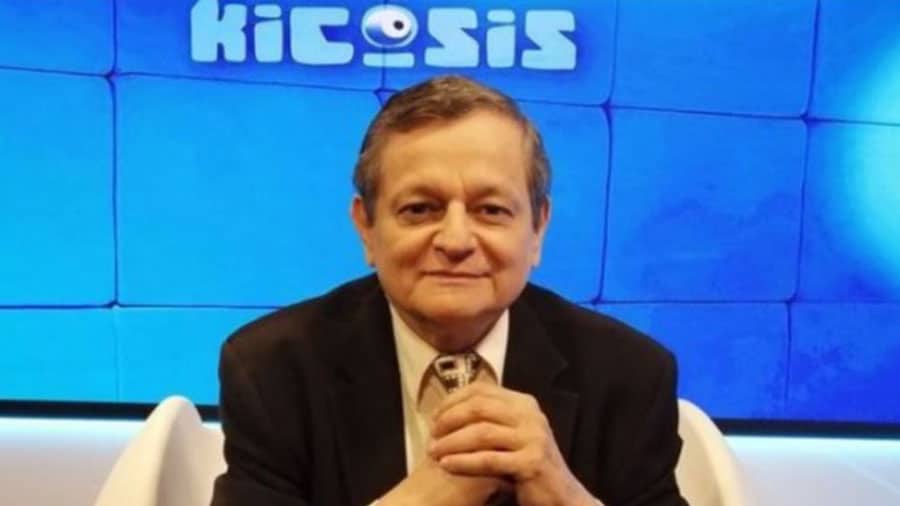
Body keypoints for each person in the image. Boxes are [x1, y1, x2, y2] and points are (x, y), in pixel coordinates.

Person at [210, 75, 687, 506]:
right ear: (366, 228)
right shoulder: (274, 370)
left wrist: (563, 495)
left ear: (538, 228)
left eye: (491, 210)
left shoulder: (629, 375)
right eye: (420, 209)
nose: (456, 241)